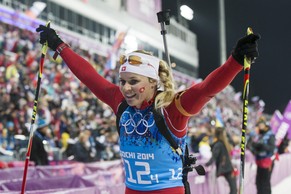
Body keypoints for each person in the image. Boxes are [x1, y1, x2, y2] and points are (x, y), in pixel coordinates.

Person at [35, 25, 259, 194]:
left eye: (133, 81)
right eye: (122, 81)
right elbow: (89, 77)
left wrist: (235, 61)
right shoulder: (120, 103)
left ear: (153, 82)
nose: (126, 88)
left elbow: (205, 90)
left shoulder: (172, 108)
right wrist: (59, 45)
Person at [205, 127, 237, 194]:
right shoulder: (219, 144)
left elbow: (233, 143)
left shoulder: (223, 143)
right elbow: (214, 157)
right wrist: (206, 164)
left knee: (234, 188)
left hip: (228, 167)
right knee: (233, 189)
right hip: (226, 169)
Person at [248, 119, 276, 194]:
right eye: (259, 125)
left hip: (267, 162)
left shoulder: (270, 135)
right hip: (260, 162)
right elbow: (253, 147)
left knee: (265, 183)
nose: (260, 127)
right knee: (258, 183)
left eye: (261, 125)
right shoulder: (259, 135)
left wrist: (263, 146)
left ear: (265, 125)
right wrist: (253, 148)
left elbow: (272, 148)